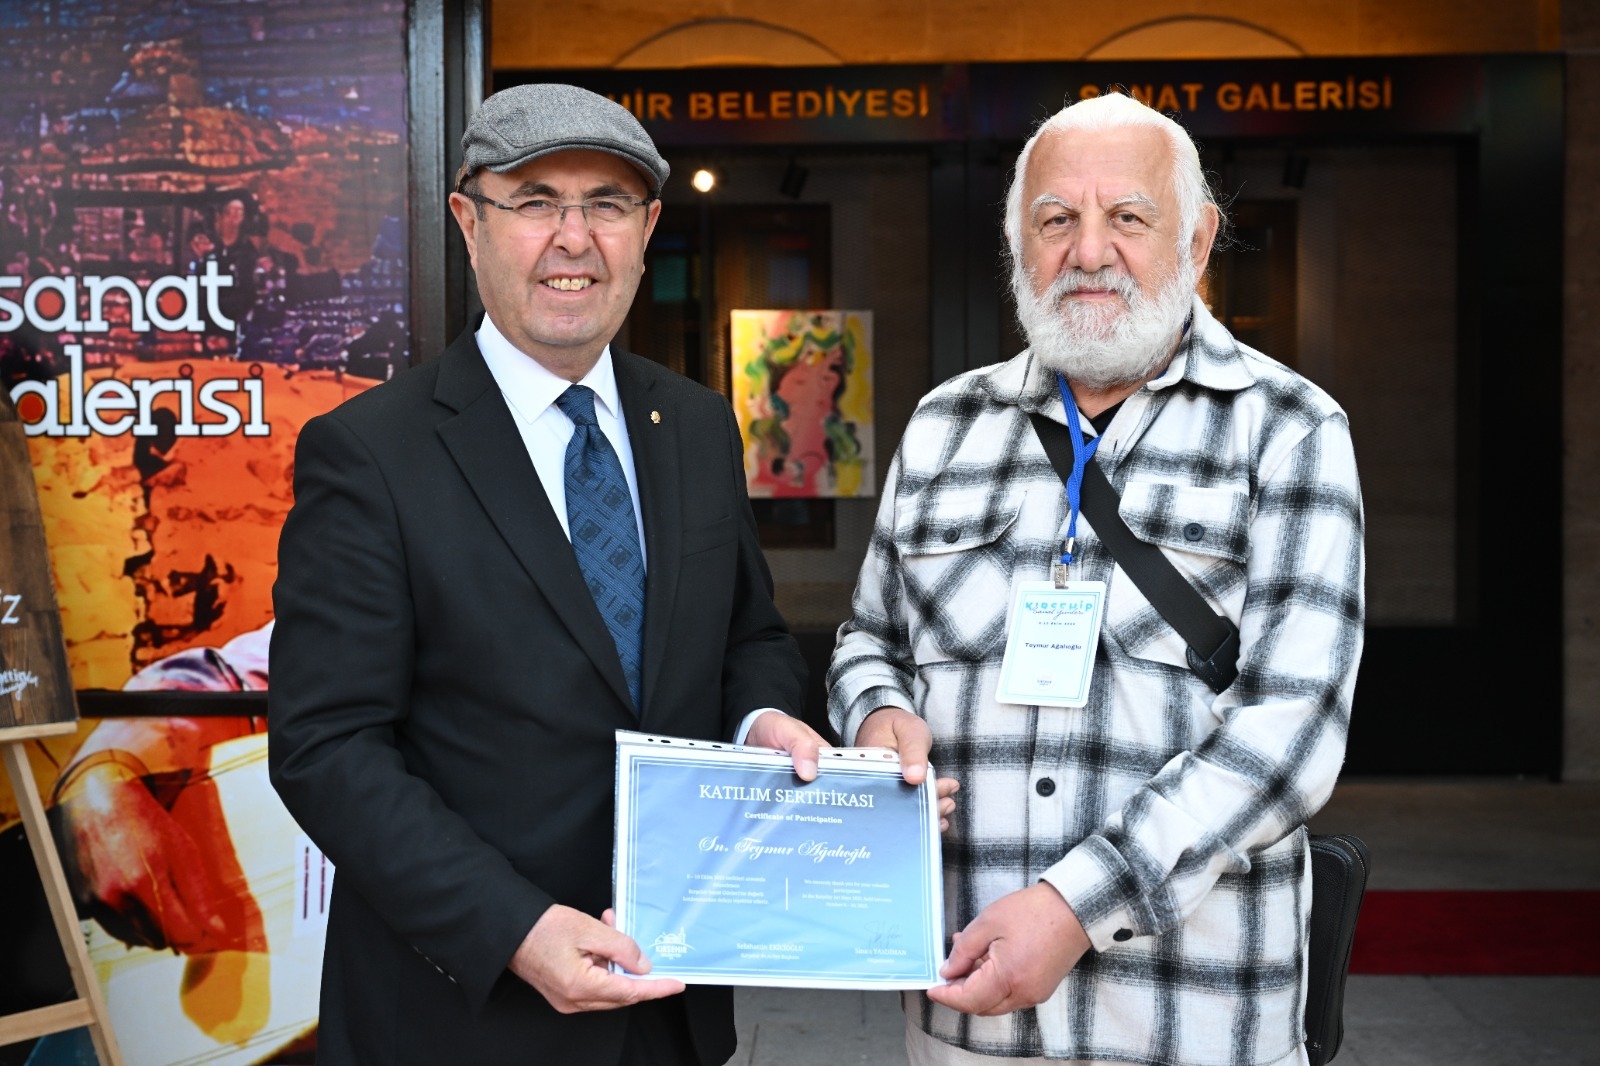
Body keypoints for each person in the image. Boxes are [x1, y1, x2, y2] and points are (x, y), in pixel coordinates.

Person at [268, 84, 832, 1066]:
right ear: (468, 221)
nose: (574, 238)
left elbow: (749, 635)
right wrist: (515, 928)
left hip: (670, 1006)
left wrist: (760, 722)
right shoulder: (368, 452)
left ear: (646, 230)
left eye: (606, 204)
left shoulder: (696, 424)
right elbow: (327, 744)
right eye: (535, 201)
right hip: (460, 1018)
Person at [828, 91, 1364, 1066]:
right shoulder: (945, 425)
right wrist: (875, 716)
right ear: (1017, 245)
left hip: (1193, 1022)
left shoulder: (1289, 430)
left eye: (1126, 216)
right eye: (1054, 220)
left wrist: (1074, 906)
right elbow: (871, 638)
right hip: (967, 1016)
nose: (1087, 250)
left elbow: (1291, 734)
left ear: (1196, 239)